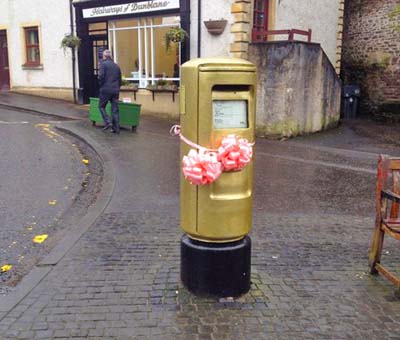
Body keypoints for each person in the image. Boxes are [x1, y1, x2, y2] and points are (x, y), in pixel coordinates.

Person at [98, 50, 122, 134]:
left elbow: (101, 77)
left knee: (101, 106)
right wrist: (117, 87)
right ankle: (116, 129)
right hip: (115, 90)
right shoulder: (116, 66)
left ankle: (108, 122)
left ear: (104, 56)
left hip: (106, 89)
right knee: (115, 110)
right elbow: (120, 79)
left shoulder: (103, 64)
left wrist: (101, 86)